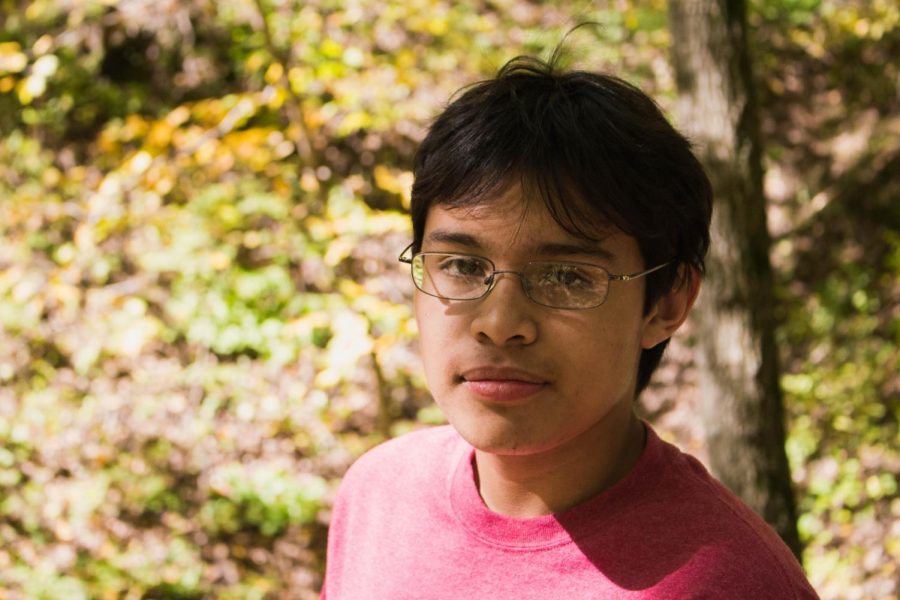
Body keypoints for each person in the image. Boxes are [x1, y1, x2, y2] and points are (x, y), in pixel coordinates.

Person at [321, 55, 818, 599]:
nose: (501, 324)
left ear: (666, 303)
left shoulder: (731, 581)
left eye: (565, 276)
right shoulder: (378, 497)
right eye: (462, 266)